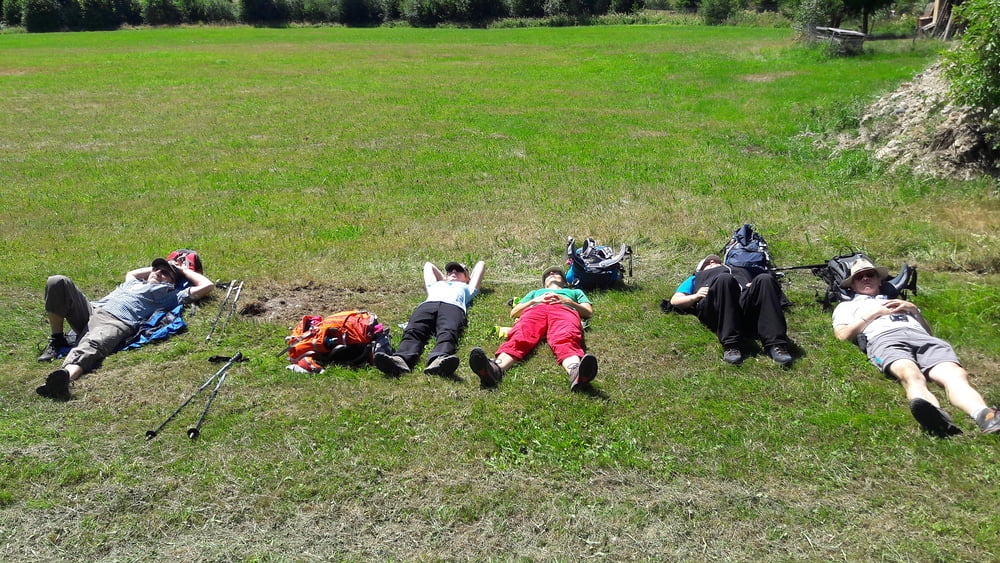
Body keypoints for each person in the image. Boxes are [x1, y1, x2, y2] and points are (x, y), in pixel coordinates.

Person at [832, 258, 999, 436]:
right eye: (859, 277)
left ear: (879, 280)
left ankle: (984, 415)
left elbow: (928, 332)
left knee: (954, 374)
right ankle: (936, 418)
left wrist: (914, 311)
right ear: (852, 285)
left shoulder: (899, 301)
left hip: (921, 338)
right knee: (909, 372)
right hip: (885, 339)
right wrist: (874, 314)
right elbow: (842, 335)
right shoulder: (846, 306)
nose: (866, 278)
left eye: (870, 275)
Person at [35, 257, 215, 400]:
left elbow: (207, 286)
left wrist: (182, 271)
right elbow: (132, 272)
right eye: (156, 269)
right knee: (58, 281)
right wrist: (166, 266)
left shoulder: (169, 294)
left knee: (93, 344)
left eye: (165, 273)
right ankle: (57, 340)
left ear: (172, 282)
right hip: (92, 309)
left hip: (116, 320)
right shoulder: (134, 282)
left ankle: (65, 377)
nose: (158, 273)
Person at [469, 267, 597, 391]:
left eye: (556, 272)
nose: (551, 273)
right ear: (544, 284)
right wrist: (534, 300)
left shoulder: (575, 292)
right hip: (535, 310)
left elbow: (588, 312)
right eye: (548, 274)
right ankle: (495, 369)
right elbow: (514, 313)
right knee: (522, 334)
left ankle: (576, 371)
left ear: (564, 281)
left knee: (566, 335)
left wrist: (567, 301)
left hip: (564, 310)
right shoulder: (535, 293)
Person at [669, 254, 793, 365]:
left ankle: (776, 344)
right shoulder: (695, 278)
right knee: (724, 278)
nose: (712, 262)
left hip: (745, 308)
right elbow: (675, 301)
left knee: (764, 278)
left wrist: (754, 286)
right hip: (717, 308)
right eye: (707, 263)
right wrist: (695, 296)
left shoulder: (741, 271)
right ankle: (732, 345)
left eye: (715, 261)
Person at [373, 261, 485, 379]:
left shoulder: (469, 288)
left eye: (459, 270)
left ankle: (439, 360)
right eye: (450, 270)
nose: (453, 271)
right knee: (414, 330)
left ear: (467, 278)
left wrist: (467, 278)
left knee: (448, 331)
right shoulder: (435, 285)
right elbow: (428, 265)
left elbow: (481, 264)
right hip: (427, 306)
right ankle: (400, 360)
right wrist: (445, 279)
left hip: (453, 308)